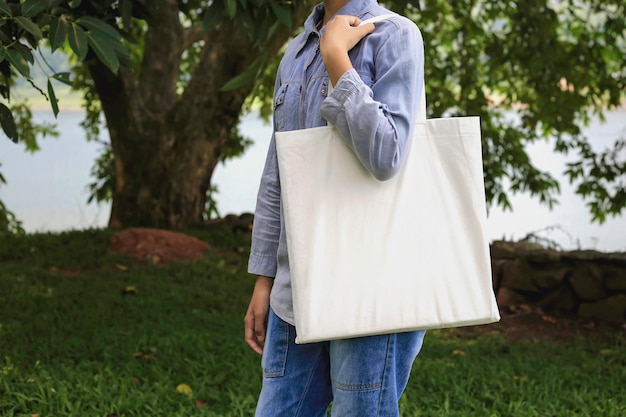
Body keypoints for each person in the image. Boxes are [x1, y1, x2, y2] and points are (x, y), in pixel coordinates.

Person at [245, 0, 426, 415]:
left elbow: (387, 154)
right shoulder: (294, 52)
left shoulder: (396, 36)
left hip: (372, 283)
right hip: (297, 286)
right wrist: (264, 278)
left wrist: (336, 58)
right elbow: (279, 172)